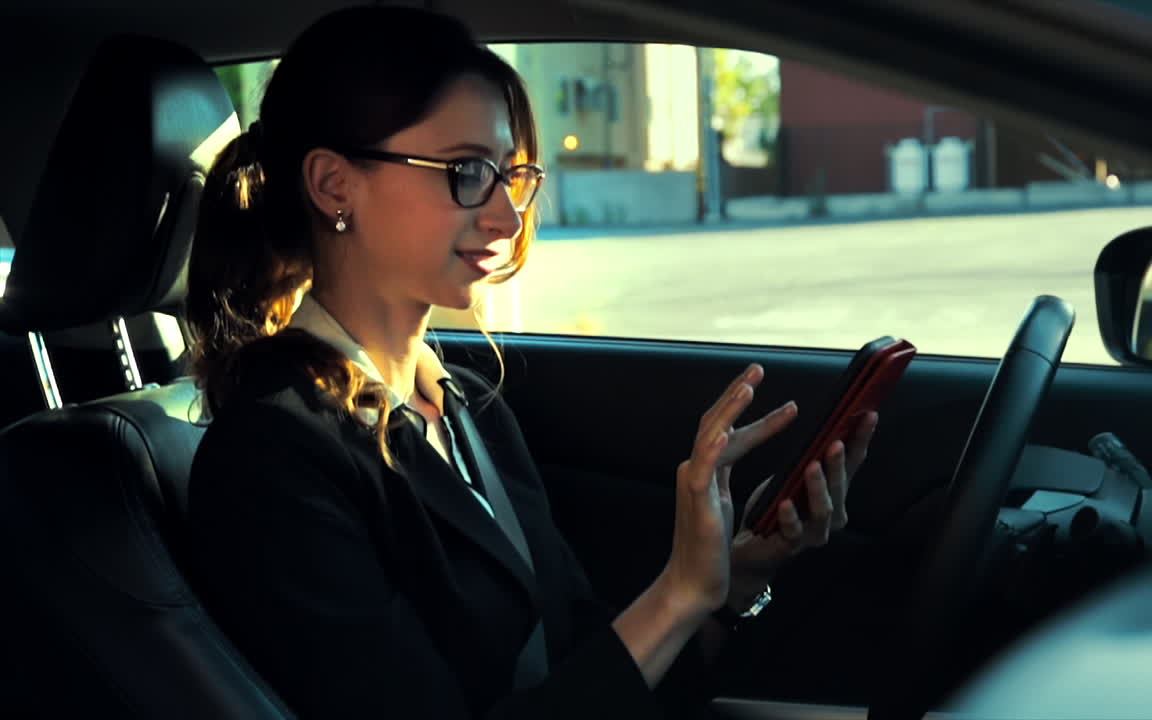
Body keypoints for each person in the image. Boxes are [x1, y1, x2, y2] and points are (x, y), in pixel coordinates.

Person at [184, 7, 877, 719]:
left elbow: (581, 663)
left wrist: (727, 583)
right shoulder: (272, 456)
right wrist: (678, 593)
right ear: (334, 185)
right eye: (466, 171)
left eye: (509, 175)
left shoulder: (465, 404)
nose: (507, 218)